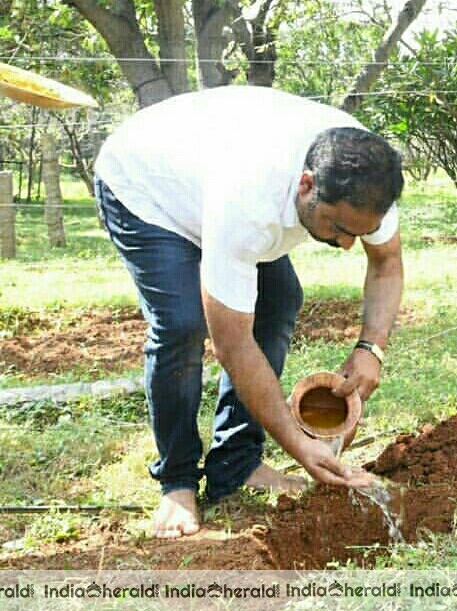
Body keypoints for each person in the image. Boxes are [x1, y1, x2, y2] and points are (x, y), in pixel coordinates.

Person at [94, 85, 404, 537]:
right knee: (182, 324)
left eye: (362, 231)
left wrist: (370, 347)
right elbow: (233, 345)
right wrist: (298, 443)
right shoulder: (248, 200)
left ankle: (236, 466)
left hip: (209, 170)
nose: (347, 244)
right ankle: (177, 482)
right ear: (307, 185)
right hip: (145, 187)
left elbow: (387, 262)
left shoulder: (369, 180)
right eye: (338, 228)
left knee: (278, 302)